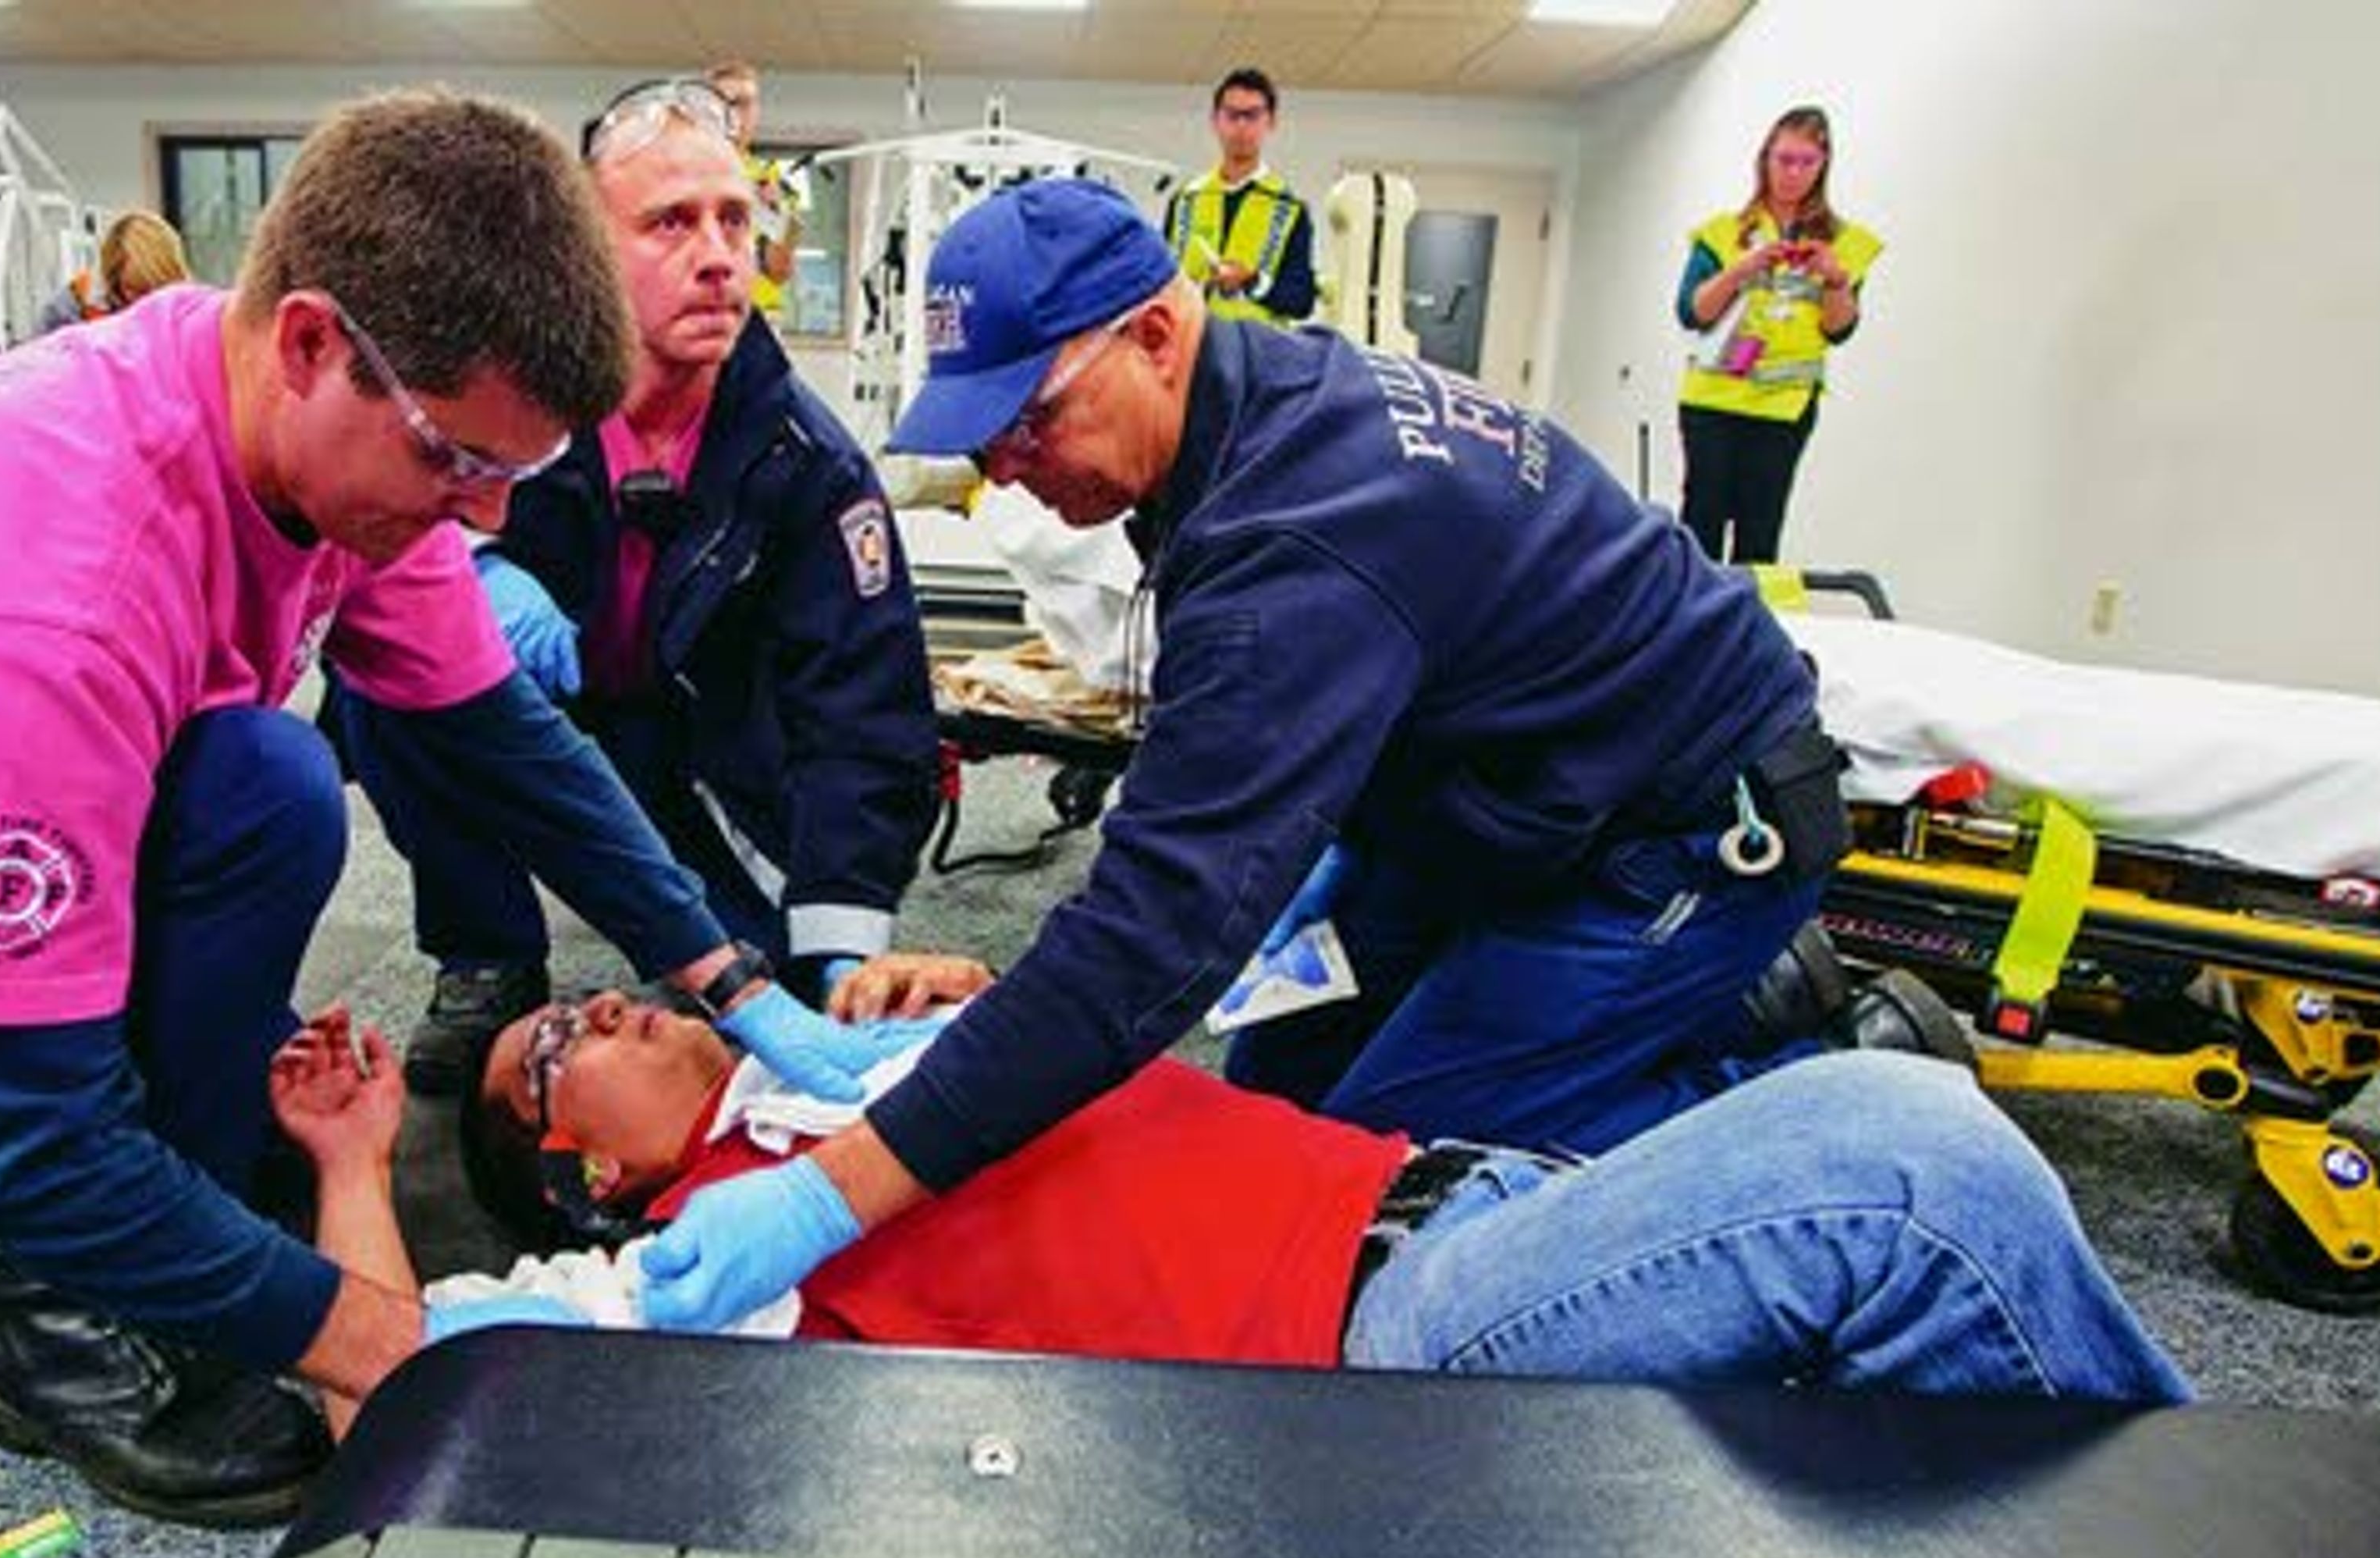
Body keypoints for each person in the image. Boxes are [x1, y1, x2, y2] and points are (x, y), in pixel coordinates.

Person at [0, 90, 900, 1528]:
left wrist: (736, 981)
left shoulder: (298, 408)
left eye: (510, 475)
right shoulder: (57, 585)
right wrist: (403, 1350)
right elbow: (17, 1135)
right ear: (314, 344)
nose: (480, 518)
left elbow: (503, 742)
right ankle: (52, 1325)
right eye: (458, 462)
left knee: (241, 826)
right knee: (252, 806)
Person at [624, 176, 1879, 1335]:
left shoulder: (1299, 539)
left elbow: (1144, 941)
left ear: (1155, 338)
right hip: (1525, 787)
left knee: (1393, 1176)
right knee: (1271, 1090)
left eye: (1031, 420)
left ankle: (1783, 1072)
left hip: (1685, 833)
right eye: (984, 437)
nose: (1006, 469)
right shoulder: (1257, 397)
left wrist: (831, 1197)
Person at [279, 959, 2190, 1413]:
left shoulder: (835, 1074)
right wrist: (353, 1160)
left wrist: (965, 994)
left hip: (1460, 1193)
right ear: (579, 1168)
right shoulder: (705, 1259)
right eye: (557, 1046)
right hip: (1377, 1328)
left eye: (593, 990)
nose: (590, 1006)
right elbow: (382, 1368)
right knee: (1902, 1164)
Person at [339, 76, 936, 1090]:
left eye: (734, 220)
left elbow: (867, 712)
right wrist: (478, 566)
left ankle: (769, 939)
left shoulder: (808, 461)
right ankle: (486, 950)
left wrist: (846, 941)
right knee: (389, 670)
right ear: (585, 248)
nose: (717, 257)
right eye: (670, 223)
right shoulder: (511, 395)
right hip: (535, 698)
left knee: (770, 989)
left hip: (698, 753)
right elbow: (383, 529)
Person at [1674, 105, 1881, 564]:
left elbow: (1840, 329)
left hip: (1785, 407)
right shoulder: (1723, 232)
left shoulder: (1845, 242)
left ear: (1824, 165)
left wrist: (1835, 279)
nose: (1793, 173)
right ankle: (1691, 627)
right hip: (1714, 401)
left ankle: (1748, 632)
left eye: (1806, 162)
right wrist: (1741, 269)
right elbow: (1692, 312)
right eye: (1784, 159)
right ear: (1764, 158)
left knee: (1761, 530)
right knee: (1701, 522)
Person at [1162, 69, 1317, 327]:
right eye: (1232, 115)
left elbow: (1302, 301)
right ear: (1215, 121)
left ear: (1270, 122)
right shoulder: (1184, 202)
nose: (1241, 126)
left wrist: (1251, 280)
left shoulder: (1290, 210)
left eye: (1253, 116)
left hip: (1259, 357)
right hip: (1192, 352)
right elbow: (1162, 281)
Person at [702, 61, 801, 323]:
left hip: (758, 316)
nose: (737, 113)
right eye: (727, 103)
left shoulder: (772, 180)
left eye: (746, 104)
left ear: (756, 112)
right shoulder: (684, 173)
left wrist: (781, 219)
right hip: (703, 312)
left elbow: (779, 272)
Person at [37, 208, 192, 333]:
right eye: (137, 291)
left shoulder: (188, 313)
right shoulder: (67, 314)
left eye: (156, 291)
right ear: (113, 280)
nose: (146, 303)